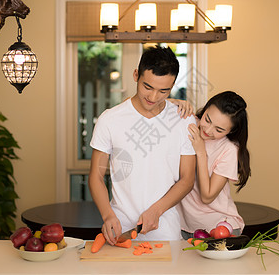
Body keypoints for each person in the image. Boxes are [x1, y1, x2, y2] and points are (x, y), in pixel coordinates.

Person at [88, 46, 196, 245]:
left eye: (163, 90)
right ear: (136, 75)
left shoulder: (183, 120)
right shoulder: (110, 119)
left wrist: (157, 210)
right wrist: (107, 215)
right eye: (148, 87)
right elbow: (96, 175)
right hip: (121, 229)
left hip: (166, 231)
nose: (153, 97)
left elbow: (187, 179)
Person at [176, 91, 251, 239]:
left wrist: (201, 152)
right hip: (183, 226)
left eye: (219, 130)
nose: (208, 130)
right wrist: (174, 102)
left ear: (231, 131)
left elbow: (207, 196)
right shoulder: (189, 123)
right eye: (207, 119)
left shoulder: (228, 150)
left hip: (218, 228)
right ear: (205, 109)